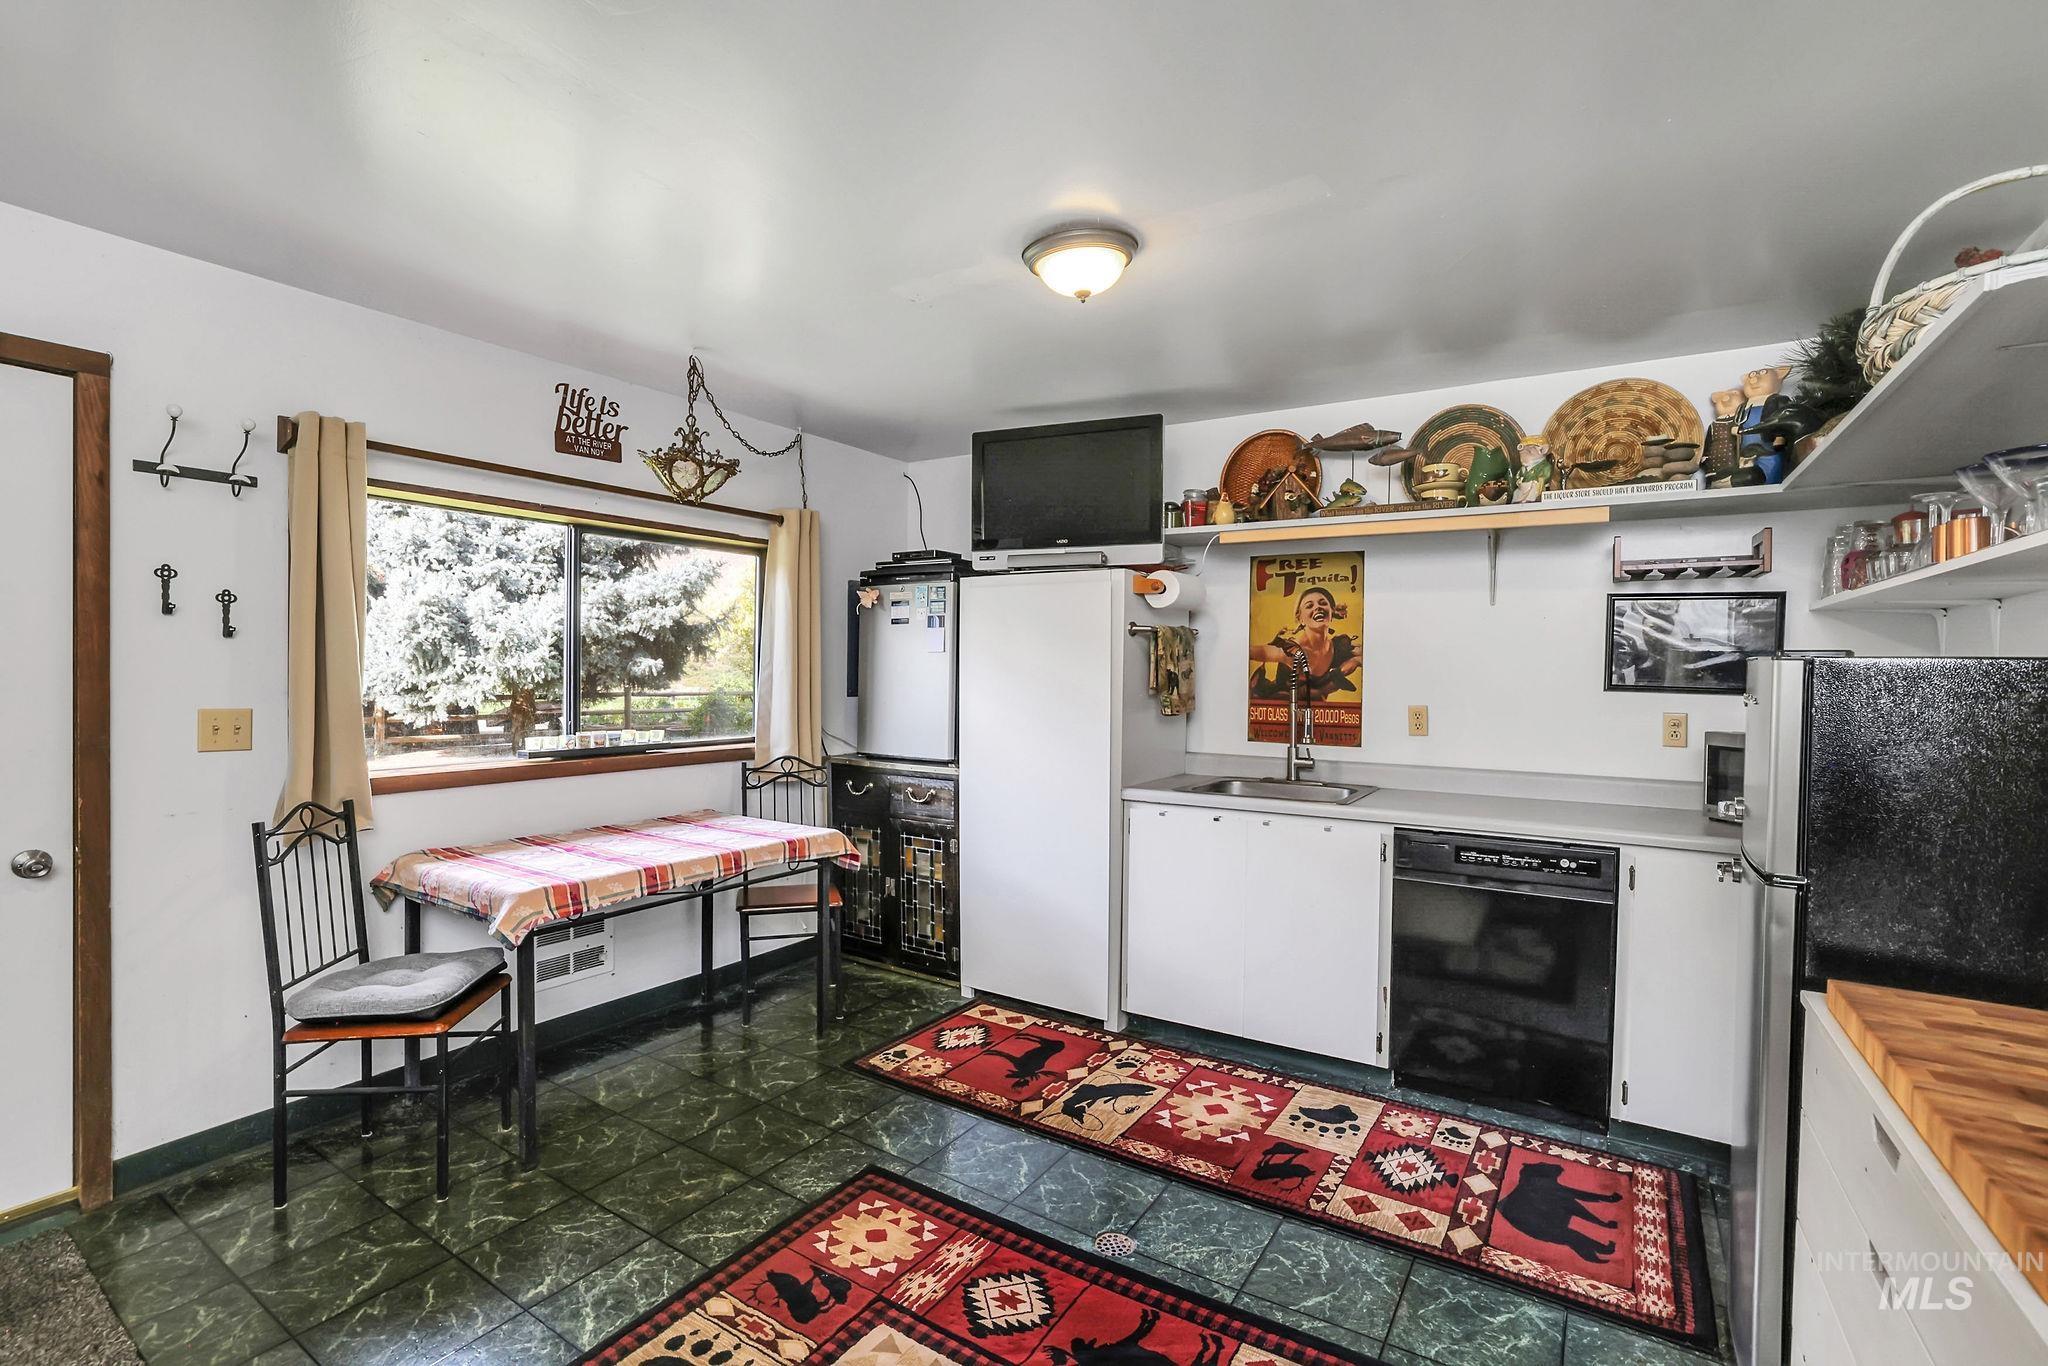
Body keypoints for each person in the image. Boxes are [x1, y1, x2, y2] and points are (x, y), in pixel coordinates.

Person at [1249, 586, 1360, 700]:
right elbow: (1258, 651)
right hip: (1278, 704)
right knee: (1316, 693)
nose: (1318, 607)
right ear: (1300, 618)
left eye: (1323, 603)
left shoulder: (1339, 646)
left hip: (1311, 707)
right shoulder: (1291, 650)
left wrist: (1354, 661)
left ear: (1332, 611)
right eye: (1309, 605)